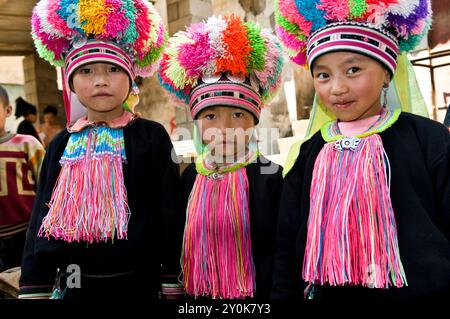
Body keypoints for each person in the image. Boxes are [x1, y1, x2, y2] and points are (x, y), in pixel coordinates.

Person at [272, 0, 450, 300]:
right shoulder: (310, 153)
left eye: (353, 69)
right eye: (323, 75)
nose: (336, 88)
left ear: (387, 73)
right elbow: (289, 241)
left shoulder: (428, 139)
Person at [19, 0, 184, 299]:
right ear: (70, 82)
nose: (100, 81)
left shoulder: (152, 138)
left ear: (132, 77)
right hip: (76, 286)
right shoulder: (59, 145)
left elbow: (170, 213)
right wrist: (34, 286)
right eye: (86, 71)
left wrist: (171, 279)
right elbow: (39, 224)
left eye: (112, 69)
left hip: (139, 286)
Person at [159, 15, 284, 299]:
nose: (224, 128)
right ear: (196, 124)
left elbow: (282, 247)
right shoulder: (189, 177)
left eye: (238, 115)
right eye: (211, 116)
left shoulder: (271, 176)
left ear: (254, 121)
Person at [0, 85, 45, 272]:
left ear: (8, 110)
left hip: (26, 234)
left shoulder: (27, 144)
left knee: (27, 282)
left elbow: (48, 189)